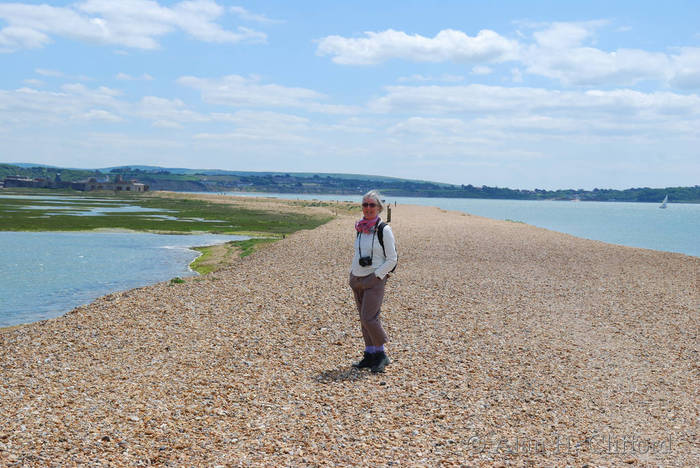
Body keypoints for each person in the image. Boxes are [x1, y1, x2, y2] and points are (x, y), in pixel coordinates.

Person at [349, 190, 397, 373]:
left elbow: (392, 258)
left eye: (372, 205)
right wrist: (352, 274)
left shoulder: (384, 229)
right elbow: (356, 253)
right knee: (363, 318)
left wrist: (378, 275)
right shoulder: (360, 228)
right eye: (365, 204)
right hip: (357, 277)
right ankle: (369, 354)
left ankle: (382, 354)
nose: (368, 208)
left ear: (379, 208)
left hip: (375, 279)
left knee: (370, 317)